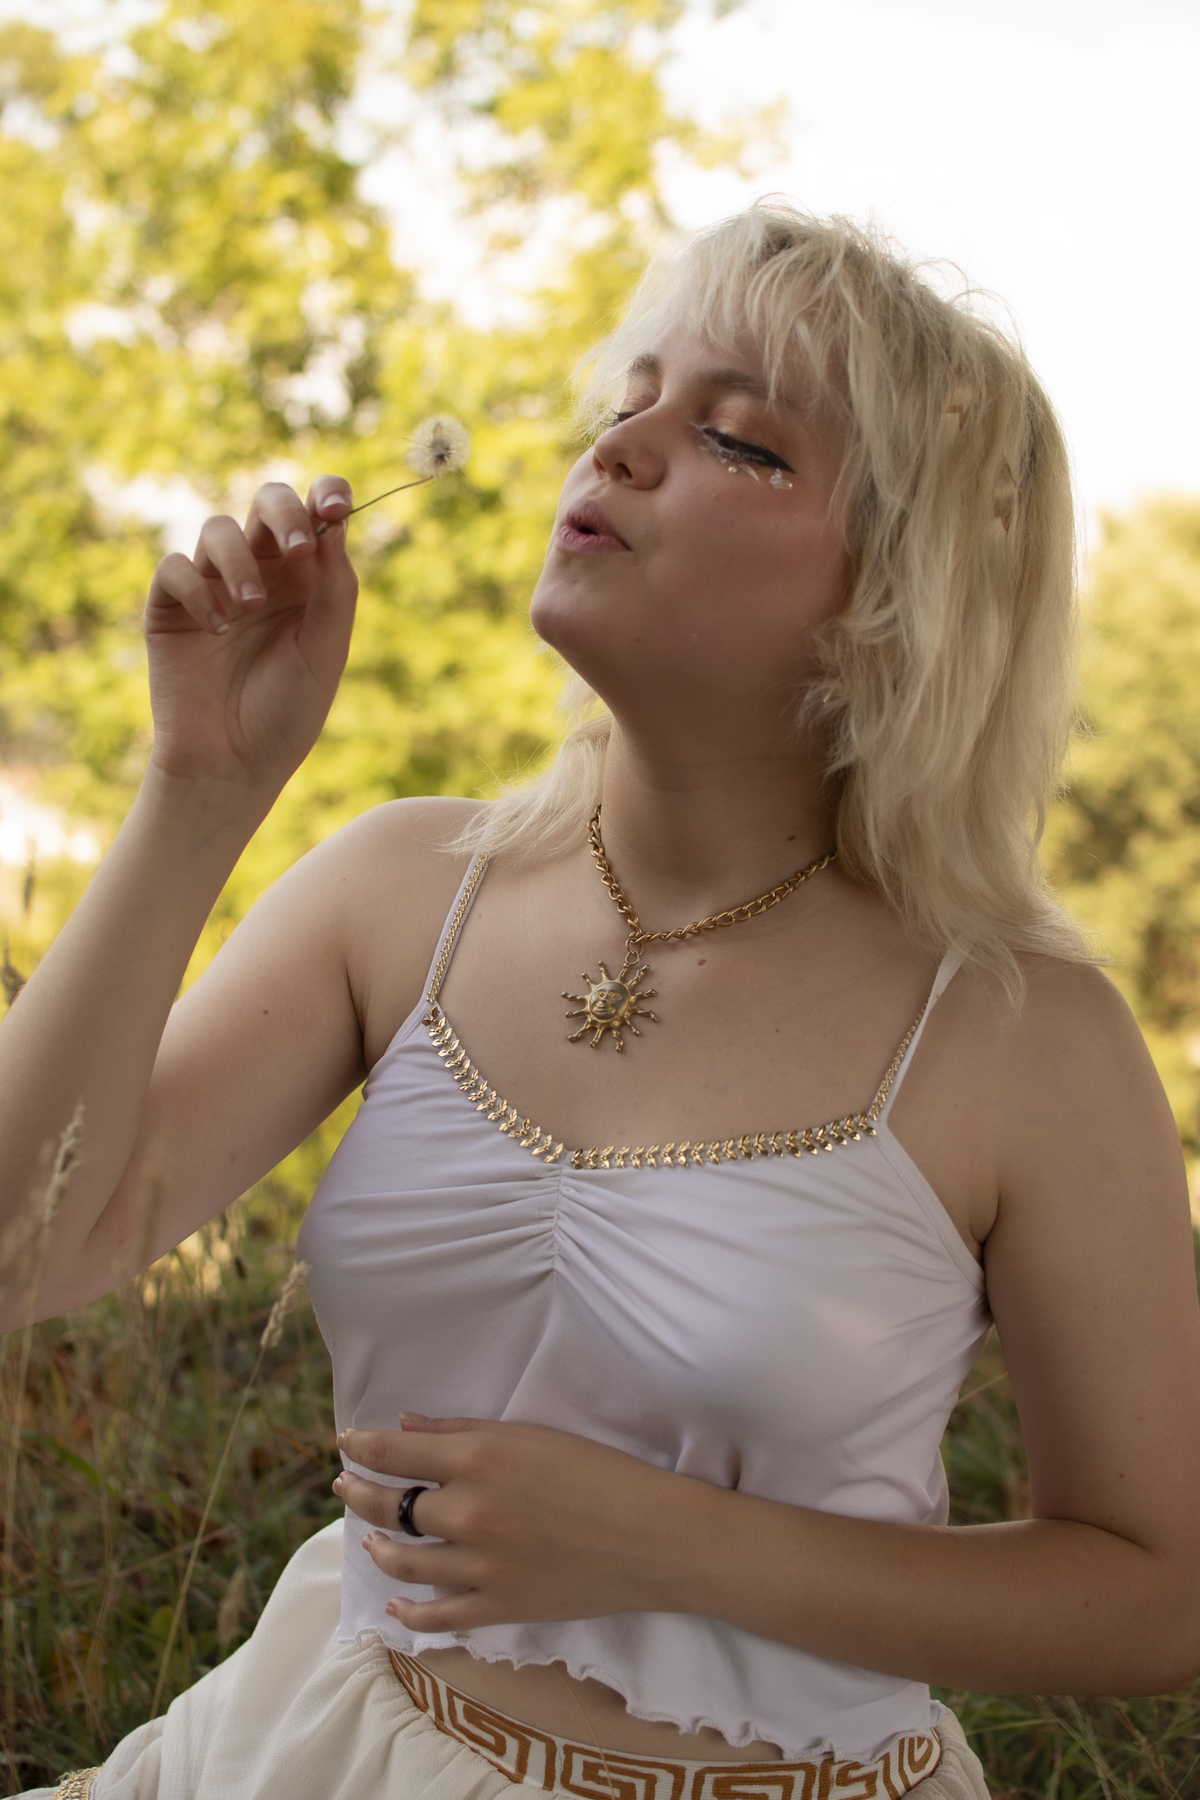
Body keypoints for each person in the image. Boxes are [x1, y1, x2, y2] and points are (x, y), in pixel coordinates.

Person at [3, 203, 1200, 1800]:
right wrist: (200, 788)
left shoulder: (1022, 1034)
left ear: (897, 595)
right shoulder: (403, 889)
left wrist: (681, 1546)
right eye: (629, 400)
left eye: (738, 439)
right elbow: (24, 1246)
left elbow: (1157, 1592)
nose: (620, 447)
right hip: (297, 1752)